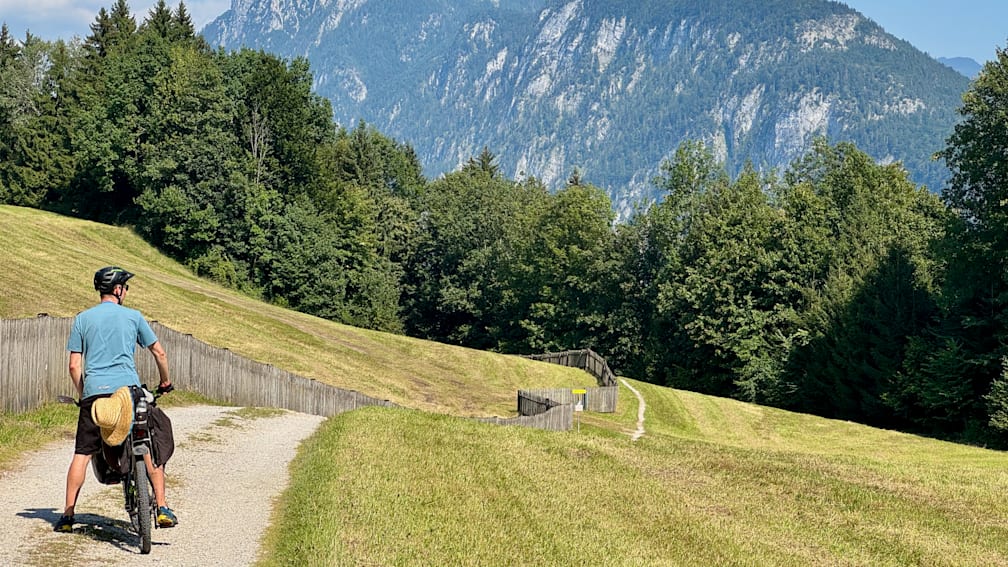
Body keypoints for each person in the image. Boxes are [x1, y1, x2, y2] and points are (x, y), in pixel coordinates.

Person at [55, 266, 178, 533]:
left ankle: (67, 516)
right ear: (118, 290)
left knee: (83, 453)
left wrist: (84, 394)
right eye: (126, 287)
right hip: (128, 393)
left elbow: (74, 366)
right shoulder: (133, 317)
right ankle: (163, 506)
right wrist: (165, 382)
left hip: (95, 395)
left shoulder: (82, 319)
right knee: (150, 443)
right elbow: (160, 353)